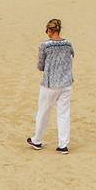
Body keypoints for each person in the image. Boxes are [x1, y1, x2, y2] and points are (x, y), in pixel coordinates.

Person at [27, 18, 74, 154]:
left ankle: (37, 140)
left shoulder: (45, 46)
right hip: (66, 83)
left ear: (49, 30)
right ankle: (63, 145)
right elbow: (72, 56)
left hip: (50, 84)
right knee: (64, 113)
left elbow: (40, 66)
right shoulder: (68, 44)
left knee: (43, 112)